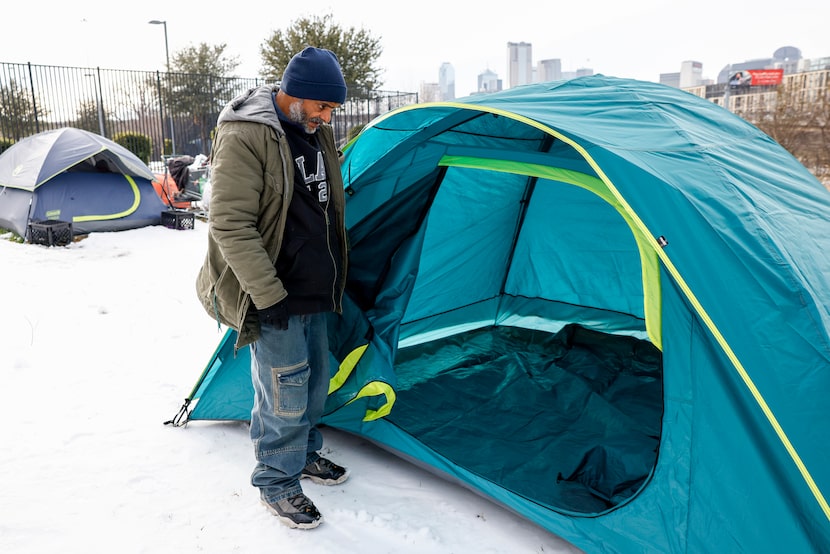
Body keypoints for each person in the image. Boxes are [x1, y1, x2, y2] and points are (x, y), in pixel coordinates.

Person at [195, 46, 350, 530]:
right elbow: (229, 223)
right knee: (284, 391)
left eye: (332, 111)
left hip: (314, 286)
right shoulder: (246, 135)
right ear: (297, 95)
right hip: (273, 289)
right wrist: (268, 296)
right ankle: (277, 481)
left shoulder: (315, 131)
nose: (328, 118)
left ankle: (303, 455)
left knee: (315, 383)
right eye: (323, 108)